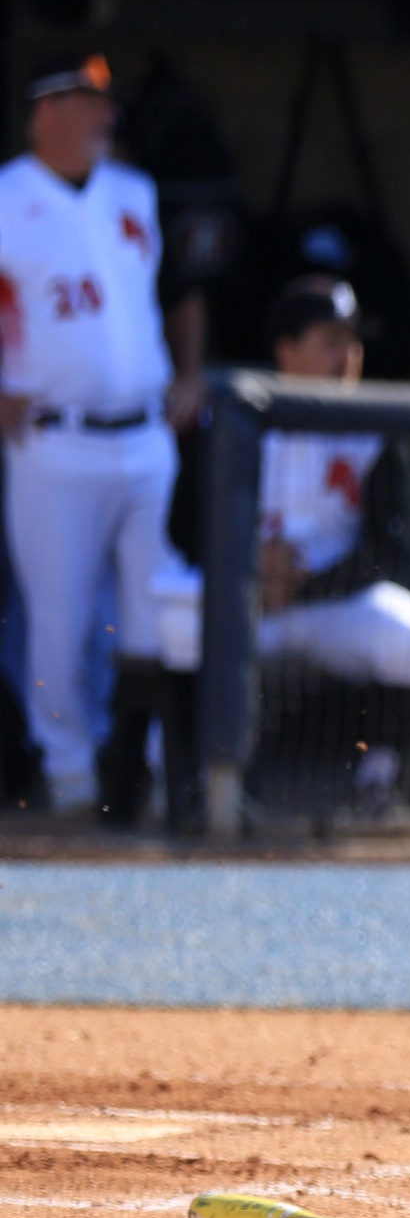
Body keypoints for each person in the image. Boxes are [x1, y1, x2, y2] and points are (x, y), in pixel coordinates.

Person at [0, 54, 207, 816]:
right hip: (54, 441)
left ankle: (149, 763)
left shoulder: (134, 194)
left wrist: (189, 372)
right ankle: (69, 768)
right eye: (88, 104)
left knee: (156, 605)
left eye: (105, 105)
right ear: (46, 111)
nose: (105, 117)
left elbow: (181, 295)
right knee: (61, 617)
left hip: (146, 435)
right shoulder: (6, 198)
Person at [253, 277, 410, 814]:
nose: (347, 356)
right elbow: (186, 527)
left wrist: (309, 585)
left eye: (352, 342)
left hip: (329, 602)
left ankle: (379, 780)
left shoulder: (373, 427)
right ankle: (191, 782)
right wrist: (249, 570)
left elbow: (393, 547)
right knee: (169, 626)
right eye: (329, 341)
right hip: (245, 601)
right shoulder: (240, 416)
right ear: (286, 350)